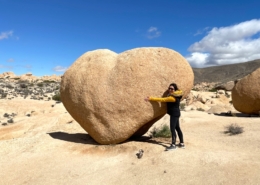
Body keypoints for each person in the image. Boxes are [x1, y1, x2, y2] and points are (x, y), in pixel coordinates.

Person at [144, 83, 185, 151]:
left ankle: (173, 145)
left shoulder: (172, 98)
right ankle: (182, 143)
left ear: (175, 90)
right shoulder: (177, 95)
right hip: (176, 113)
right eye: (169, 88)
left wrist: (150, 98)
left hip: (174, 114)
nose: (170, 90)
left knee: (172, 128)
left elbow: (162, 99)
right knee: (177, 128)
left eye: (172, 89)